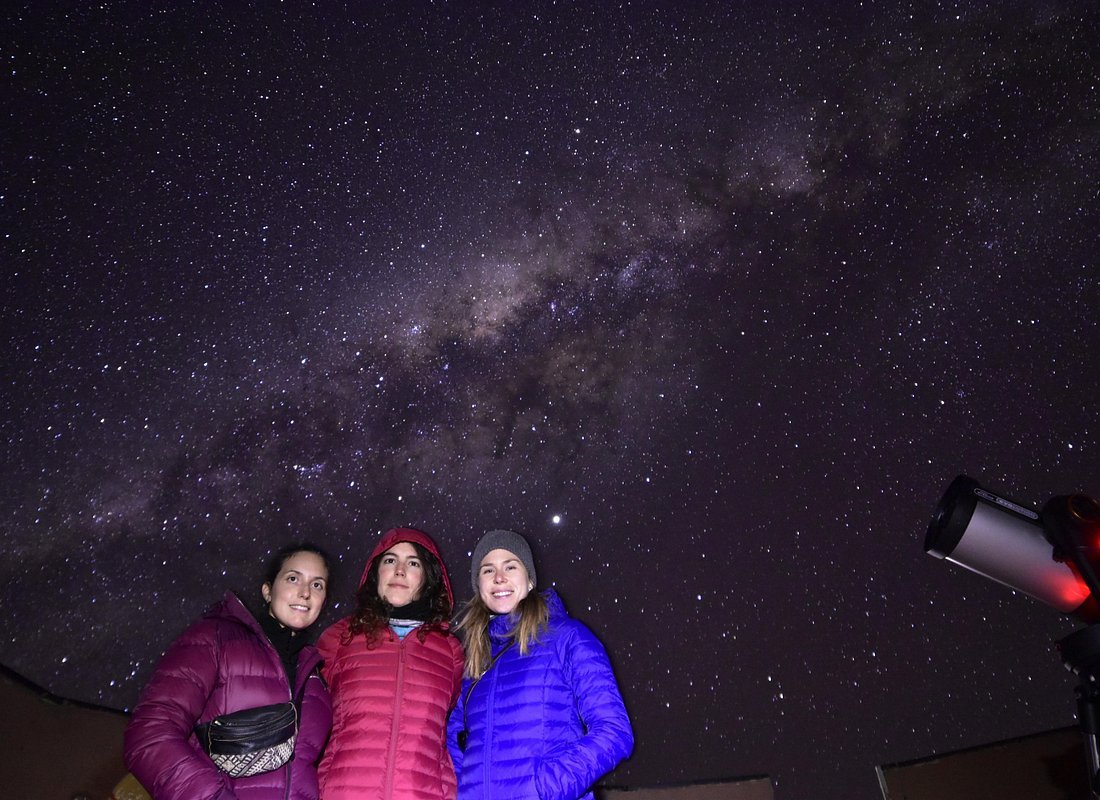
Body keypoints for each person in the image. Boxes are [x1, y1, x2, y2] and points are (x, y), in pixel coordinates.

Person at [124, 543, 333, 800]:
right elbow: (150, 734)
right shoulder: (215, 638)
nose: (305, 593)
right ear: (268, 591)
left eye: (317, 585)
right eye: (293, 578)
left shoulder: (316, 677)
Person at [447, 529, 634, 800]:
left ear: (530, 579)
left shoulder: (568, 638)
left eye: (510, 566)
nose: (499, 578)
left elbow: (615, 732)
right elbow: (454, 740)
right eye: (488, 571)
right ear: (479, 586)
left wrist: (544, 788)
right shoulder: (473, 661)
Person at [317, 527, 464, 800]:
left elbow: (450, 728)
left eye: (413, 563)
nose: (399, 570)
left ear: (428, 578)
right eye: (390, 560)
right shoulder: (340, 638)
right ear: (375, 573)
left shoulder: (450, 651)